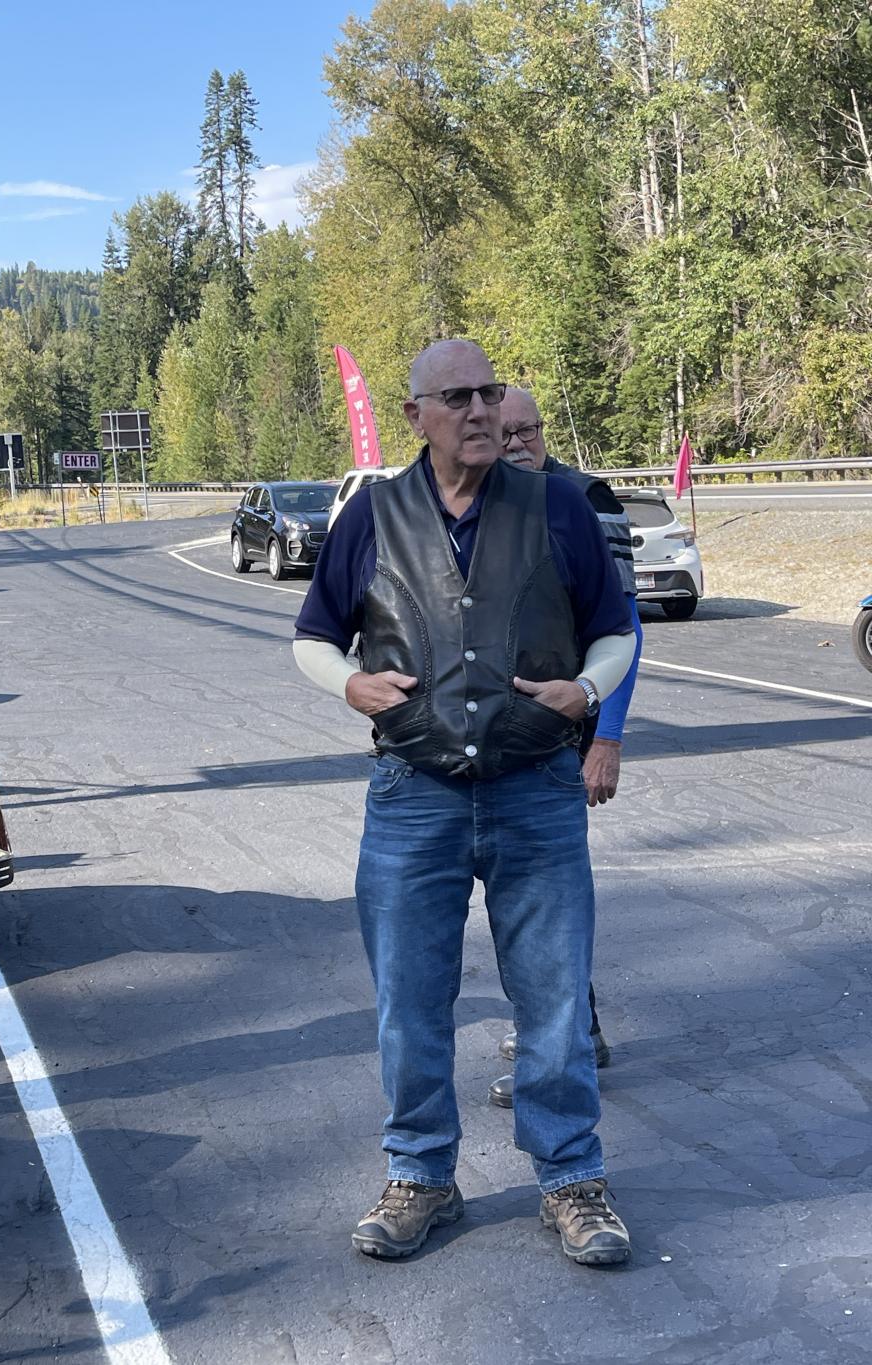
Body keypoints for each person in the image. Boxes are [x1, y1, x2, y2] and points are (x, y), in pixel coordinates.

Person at [293, 340, 638, 1266]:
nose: (481, 410)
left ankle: (571, 1179)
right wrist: (346, 683)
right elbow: (313, 634)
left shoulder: (558, 505)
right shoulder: (371, 515)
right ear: (416, 415)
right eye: (458, 396)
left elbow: (614, 628)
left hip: (539, 788)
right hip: (414, 794)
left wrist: (589, 692)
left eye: (489, 392)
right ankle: (420, 1176)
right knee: (410, 1001)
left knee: (555, 999)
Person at [487, 387, 644, 1108]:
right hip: (500, 738)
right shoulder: (484, 502)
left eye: (528, 429)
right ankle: (575, 1026)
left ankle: (565, 1041)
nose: (517, 443)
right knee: (530, 895)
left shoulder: (583, 499)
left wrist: (606, 737)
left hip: (566, 735)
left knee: (544, 897)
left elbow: (624, 631)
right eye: (504, 433)